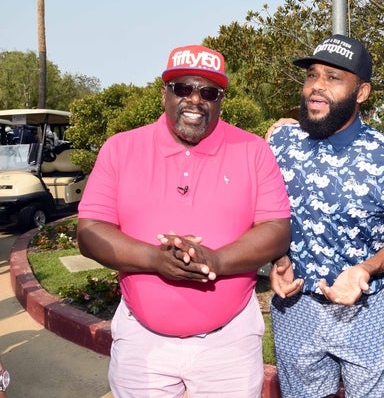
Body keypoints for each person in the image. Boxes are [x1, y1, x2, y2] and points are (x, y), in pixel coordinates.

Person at [77, 44, 291, 398]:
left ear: (220, 100)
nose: (195, 99)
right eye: (182, 88)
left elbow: (276, 230)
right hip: (141, 341)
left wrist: (216, 261)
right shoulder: (120, 148)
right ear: (164, 94)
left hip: (230, 343)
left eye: (208, 92)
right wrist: (154, 259)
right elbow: (90, 232)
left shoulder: (254, 150)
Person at [267, 34, 384, 398]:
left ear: (361, 93)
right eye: (313, 75)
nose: (316, 87)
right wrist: (277, 257)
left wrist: (366, 269)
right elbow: (261, 213)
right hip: (294, 308)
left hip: (365, 312)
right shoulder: (280, 143)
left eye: (333, 78)